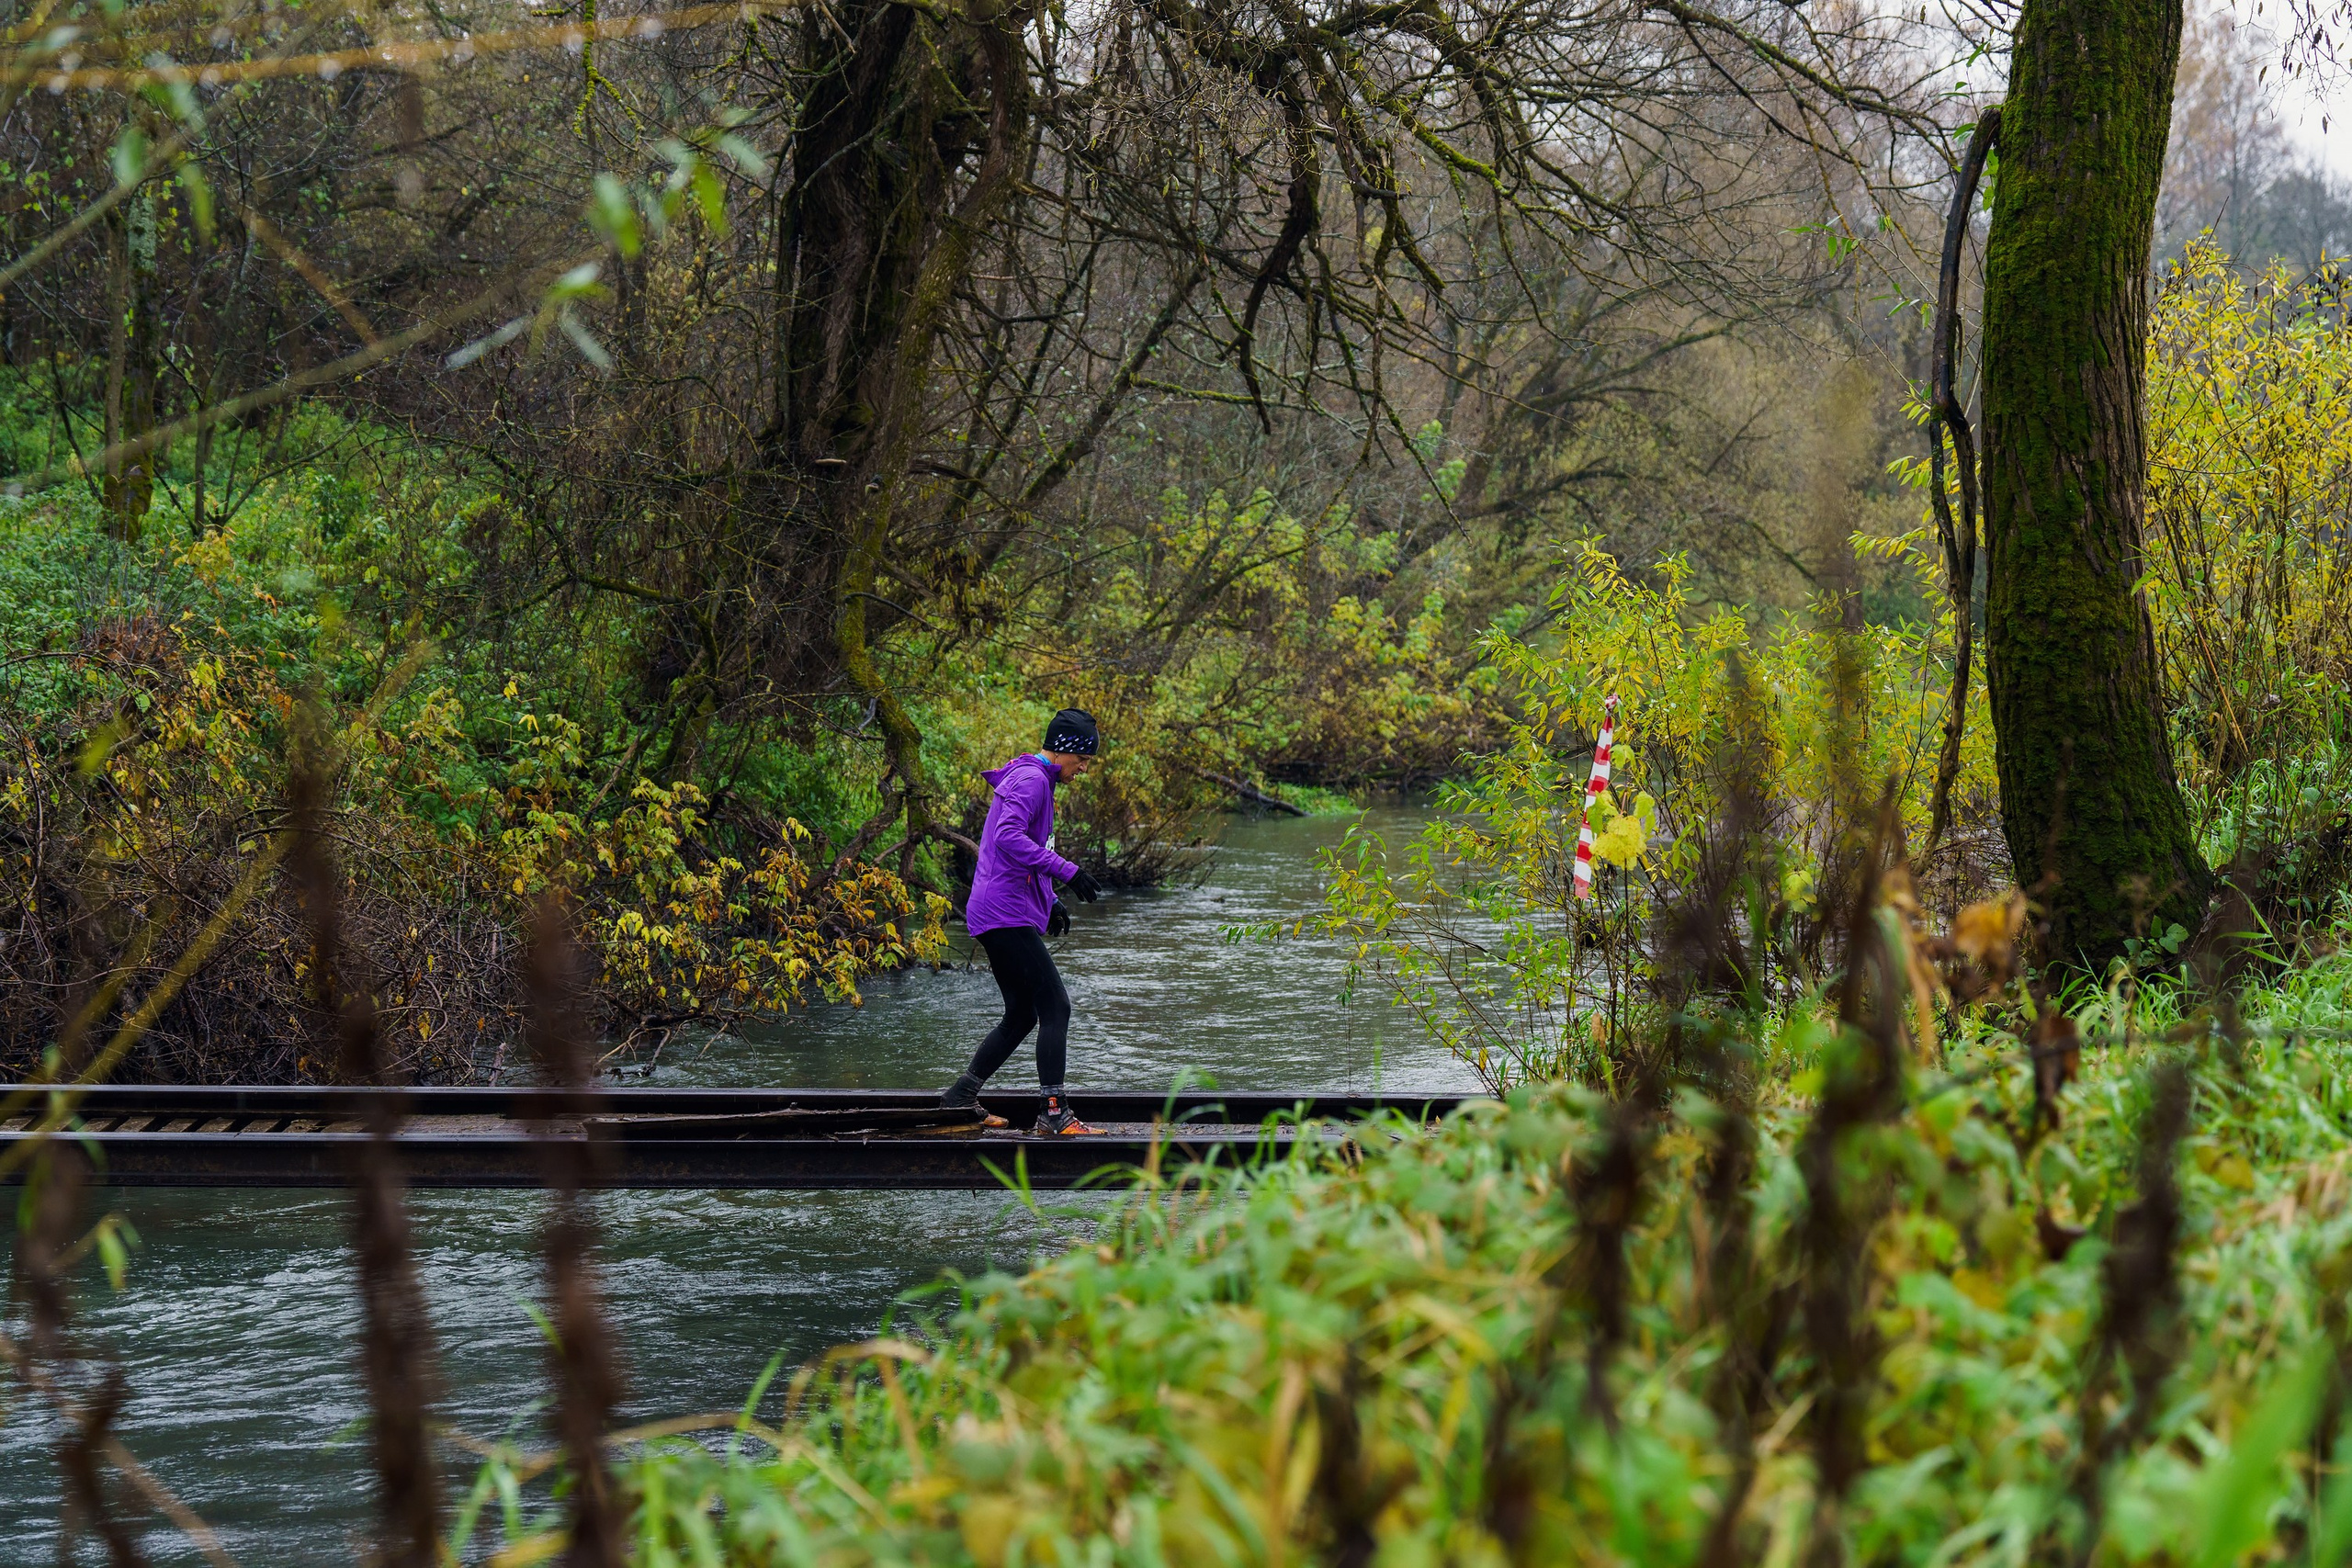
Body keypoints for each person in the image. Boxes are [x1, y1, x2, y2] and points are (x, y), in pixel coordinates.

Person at [939, 708, 1105, 1134]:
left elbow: (1025, 848)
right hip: (1003, 912)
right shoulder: (1033, 781)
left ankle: (959, 1097)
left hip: (999, 910)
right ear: (1066, 750)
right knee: (1056, 1005)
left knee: (1021, 1014)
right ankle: (1054, 1112)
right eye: (1083, 759)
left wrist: (1050, 899)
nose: (1084, 769)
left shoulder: (1037, 782)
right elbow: (1007, 838)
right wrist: (1067, 871)